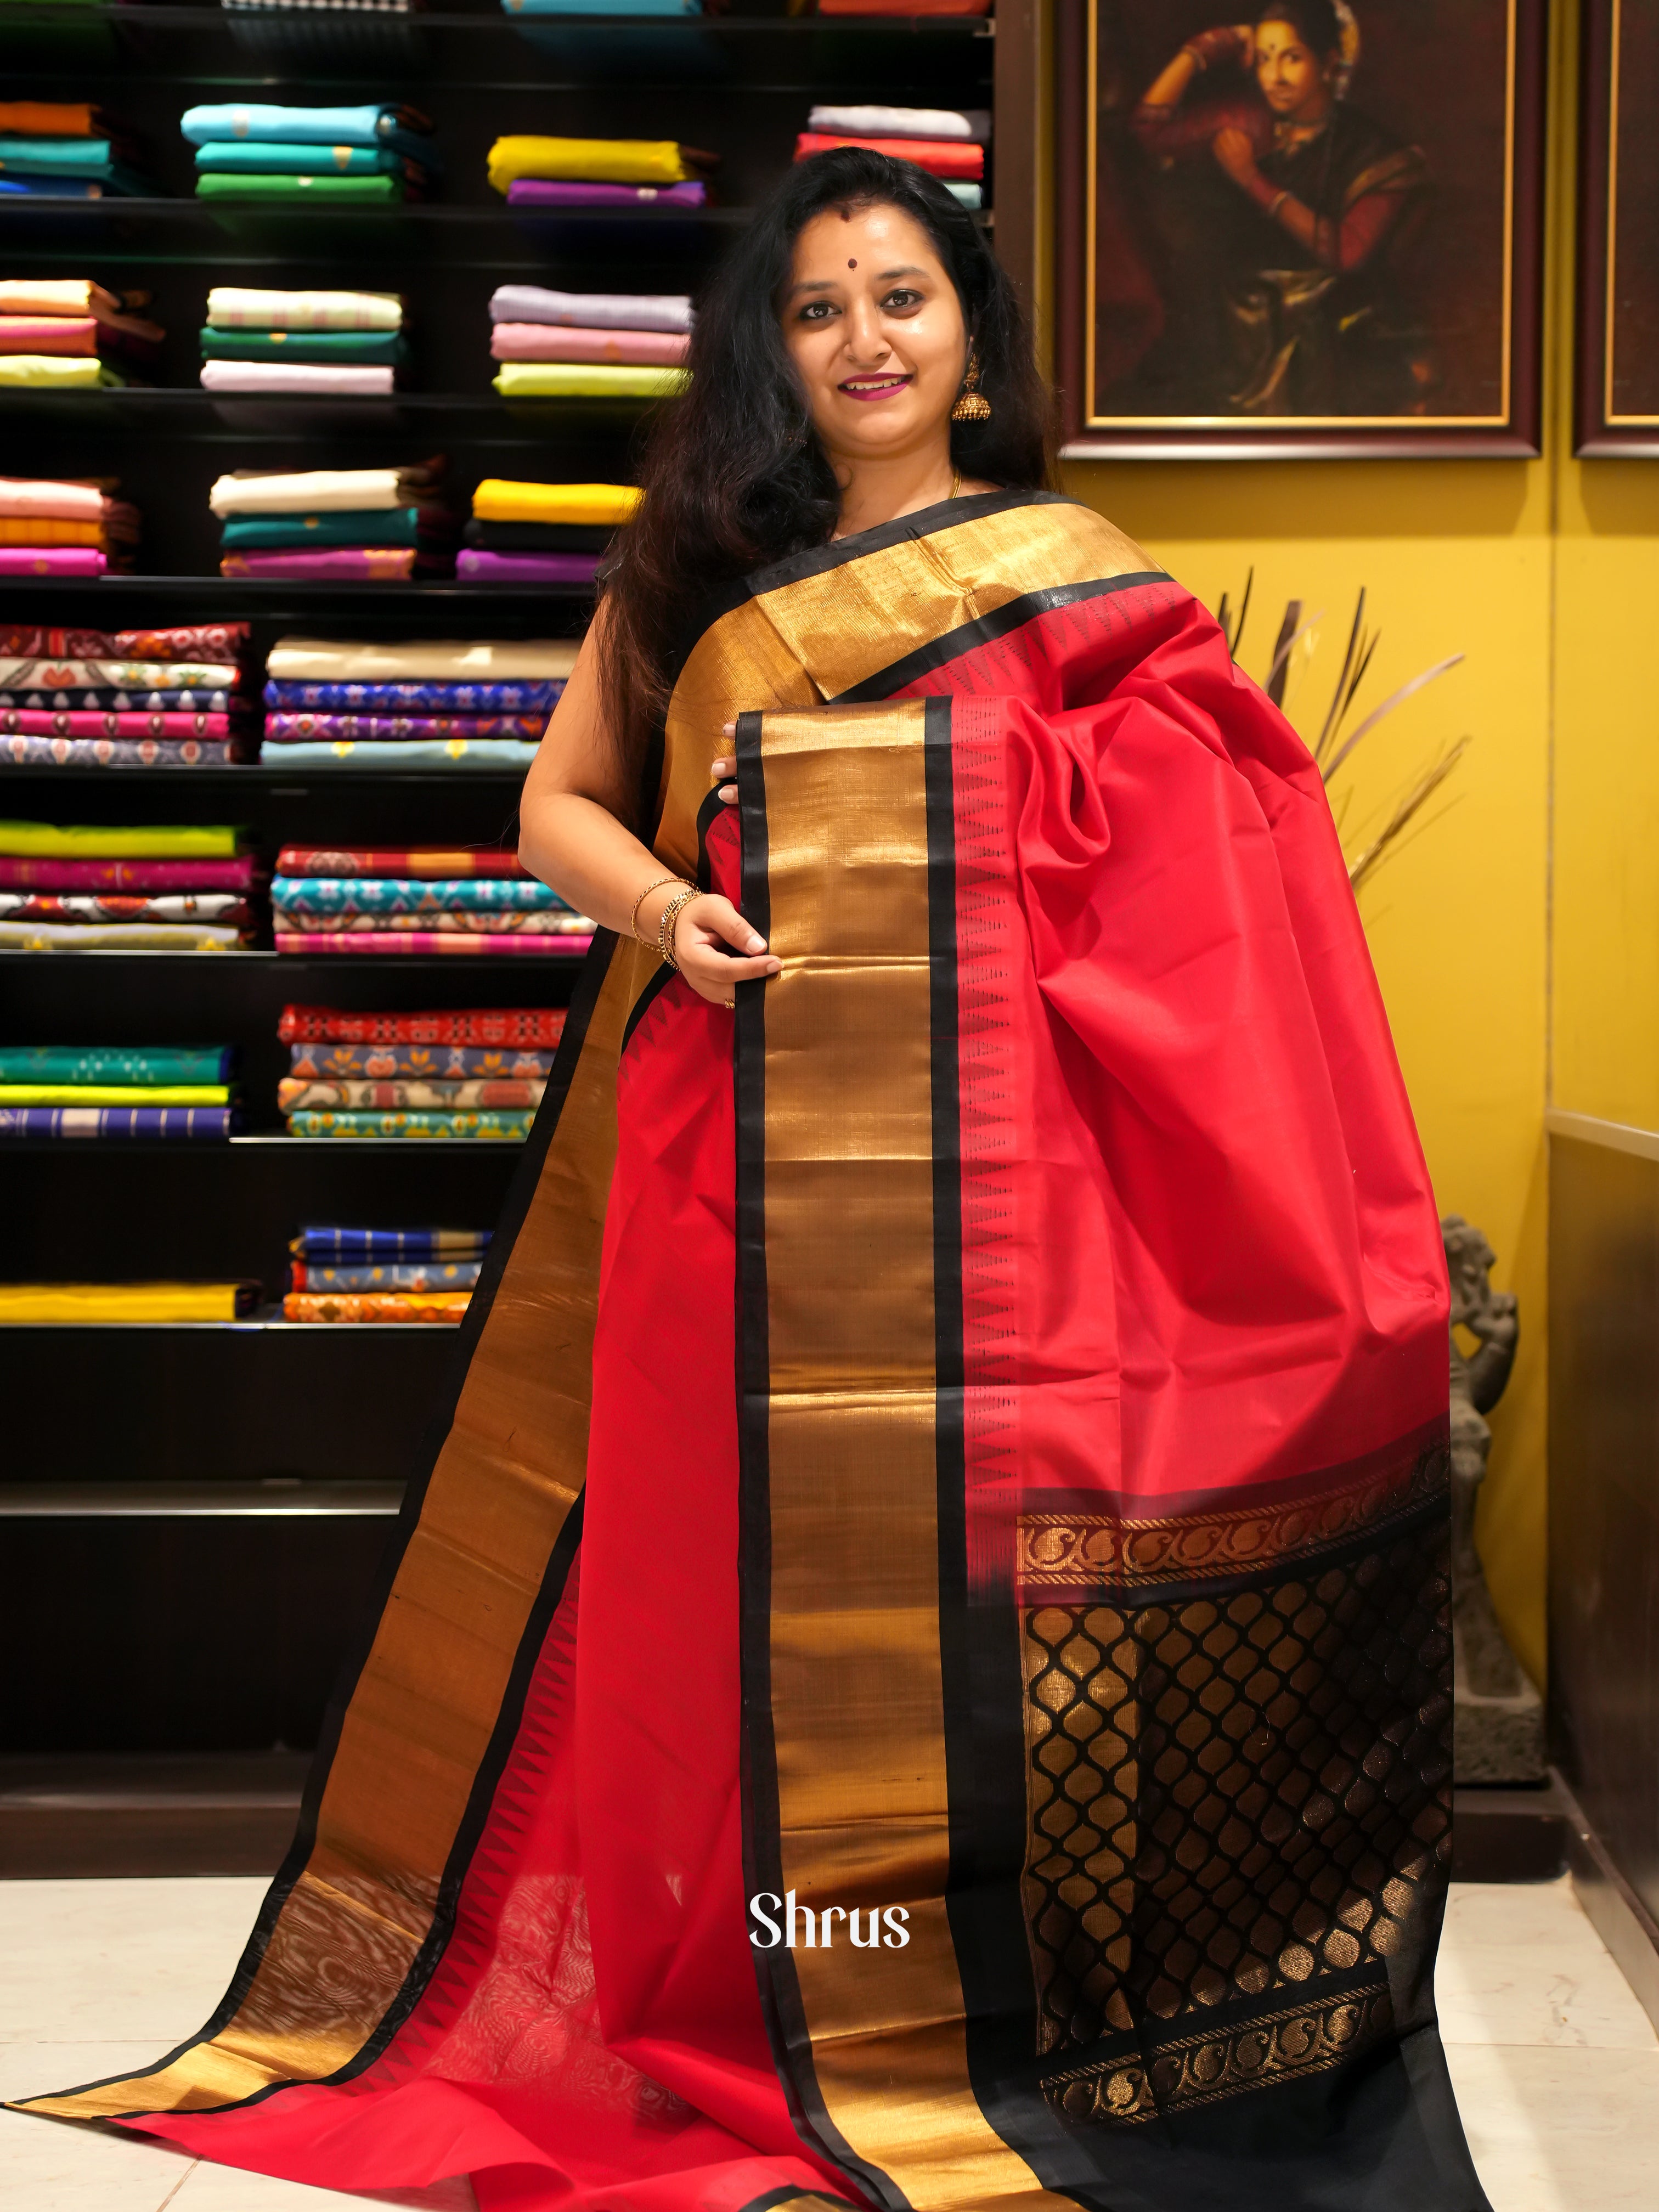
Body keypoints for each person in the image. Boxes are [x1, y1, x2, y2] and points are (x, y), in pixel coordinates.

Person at [15, 148, 1489, 2212]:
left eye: (900, 295)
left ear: (970, 334)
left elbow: (1213, 816)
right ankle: (763, 1998)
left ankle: (968, 2009)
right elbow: (556, 804)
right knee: (727, 1606)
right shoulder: (702, 568)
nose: (863, 339)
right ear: (767, 350)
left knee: (977, 1603)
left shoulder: (1068, 570)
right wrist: (666, 912)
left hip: (1011, 1206)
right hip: (737, 1148)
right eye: (815, 308)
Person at [1127, 3, 1432, 414]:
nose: (1275, 77)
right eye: (1266, 59)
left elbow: (1346, 251)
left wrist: (1252, 180)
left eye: (1292, 58)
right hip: (1236, 326)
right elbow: (1150, 128)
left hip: (1329, 325)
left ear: (1327, 63)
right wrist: (1207, 47)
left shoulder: (1373, 151)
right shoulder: (1250, 120)